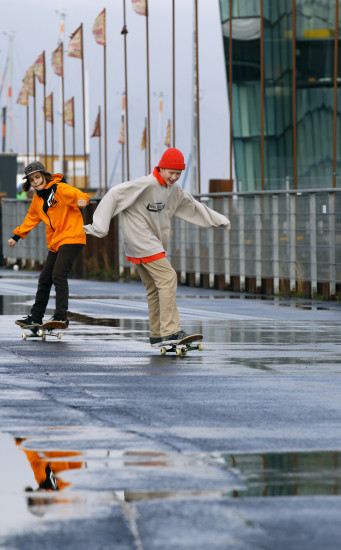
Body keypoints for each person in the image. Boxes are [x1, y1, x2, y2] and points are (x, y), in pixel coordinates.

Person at [84, 148, 230, 346]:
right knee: (168, 278)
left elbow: (192, 205)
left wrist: (218, 220)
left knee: (154, 288)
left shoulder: (174, 190)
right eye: (171, 172)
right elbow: (114, 194)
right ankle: (170, 331)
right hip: (141, 241)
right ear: (160, 168)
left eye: (178, 174)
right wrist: (99, 226)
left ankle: (157, 334)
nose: (174, 177)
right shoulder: (145, 184)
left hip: (148, 244)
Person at [8, 161, 89, 328]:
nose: (36, 182)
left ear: (44, 176)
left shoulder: (59, 188)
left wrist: (82, 200)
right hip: (56, 241)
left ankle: (61, 316)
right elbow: (31, 219)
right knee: (45, 278)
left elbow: (78, 194)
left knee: (58, 274)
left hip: (72, 236)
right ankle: (36, 317)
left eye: (37, 177)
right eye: (32, 180)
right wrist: (16, 236)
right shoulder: (37, 200)